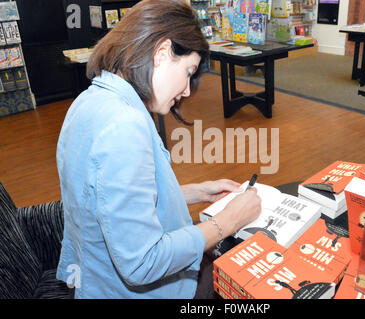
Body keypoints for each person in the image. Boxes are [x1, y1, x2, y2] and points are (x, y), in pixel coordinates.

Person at [56, 0, 261, 299]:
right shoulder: (124, 125)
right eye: (188, 71)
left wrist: (196, 191)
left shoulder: (88, 101)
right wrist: (227, 222)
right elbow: (142, 262)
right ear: (162, 53)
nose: (188, 90)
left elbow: (109, 198)